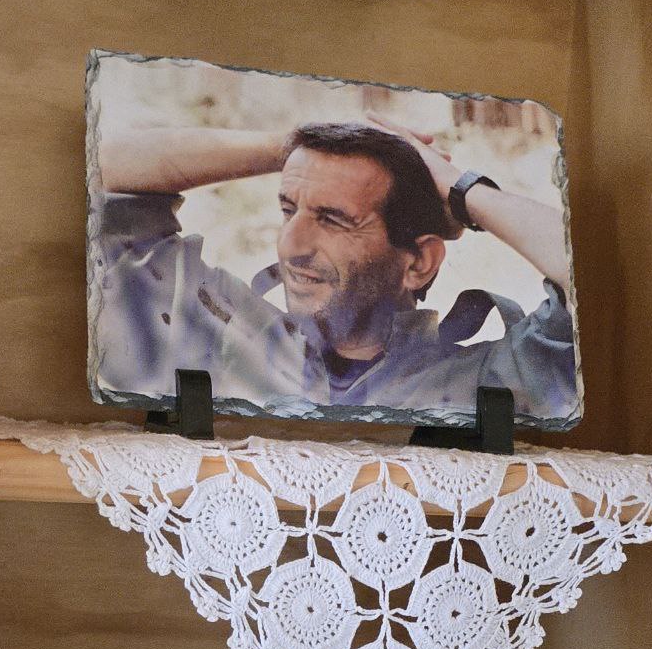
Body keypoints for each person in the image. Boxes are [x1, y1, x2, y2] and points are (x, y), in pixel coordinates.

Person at [89, 117, 579, 425]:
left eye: (333, 220)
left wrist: (459, 187)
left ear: (418, 263)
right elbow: (102, 168)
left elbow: (586, 270)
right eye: (288, 210)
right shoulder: (216, 329)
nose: (291, 245)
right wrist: (299, 142)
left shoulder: (488, 380)